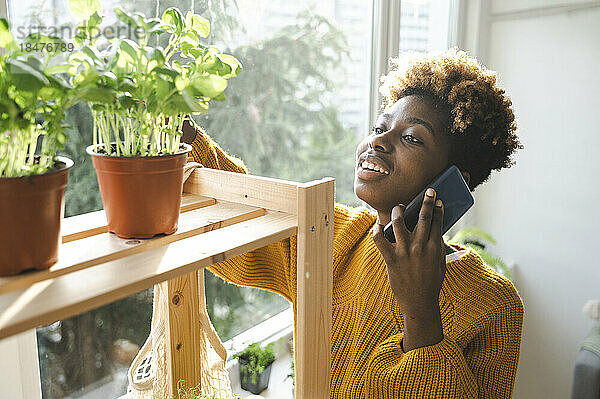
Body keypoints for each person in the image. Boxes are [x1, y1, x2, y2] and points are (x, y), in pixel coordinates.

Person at [181, 48, 525, 398]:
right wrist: (187, 139)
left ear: (453, 180)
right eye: (380, 127)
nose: (378, 140)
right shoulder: (334, 235)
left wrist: (420, 311)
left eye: (411, 138)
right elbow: (246, 223)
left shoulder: (494, 305)